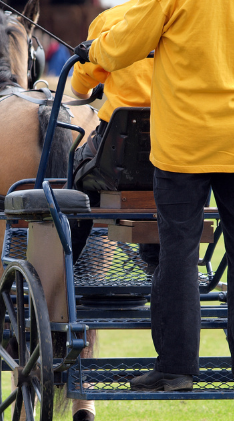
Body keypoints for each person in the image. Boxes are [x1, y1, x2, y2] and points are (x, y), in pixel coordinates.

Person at [74, 0, 234, 392]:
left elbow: (124, 45)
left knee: (178, 248)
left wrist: (93, 49)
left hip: (184, 143)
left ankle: (176, 369)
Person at [69, 0, 159, 272]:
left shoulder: (110, 19)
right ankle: (155, 262)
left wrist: (92, 88)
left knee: (76, 174)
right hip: (174, 150)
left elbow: (80, 88)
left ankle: (69, 263)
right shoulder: (185, 21)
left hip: (117, 155)